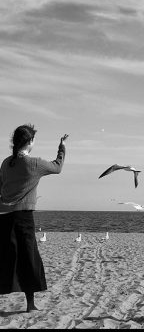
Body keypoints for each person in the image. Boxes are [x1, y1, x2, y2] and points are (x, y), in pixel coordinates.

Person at [0, 124, 68, 312]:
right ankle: (30, 304)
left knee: (6, 259)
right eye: (33, 140)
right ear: (30, 142)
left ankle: (29, 304)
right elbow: (57, 167)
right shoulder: (33, 164)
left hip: (4, 217)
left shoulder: (6, 163)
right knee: (28, 259)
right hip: (23, 217)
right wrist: (62, 147)